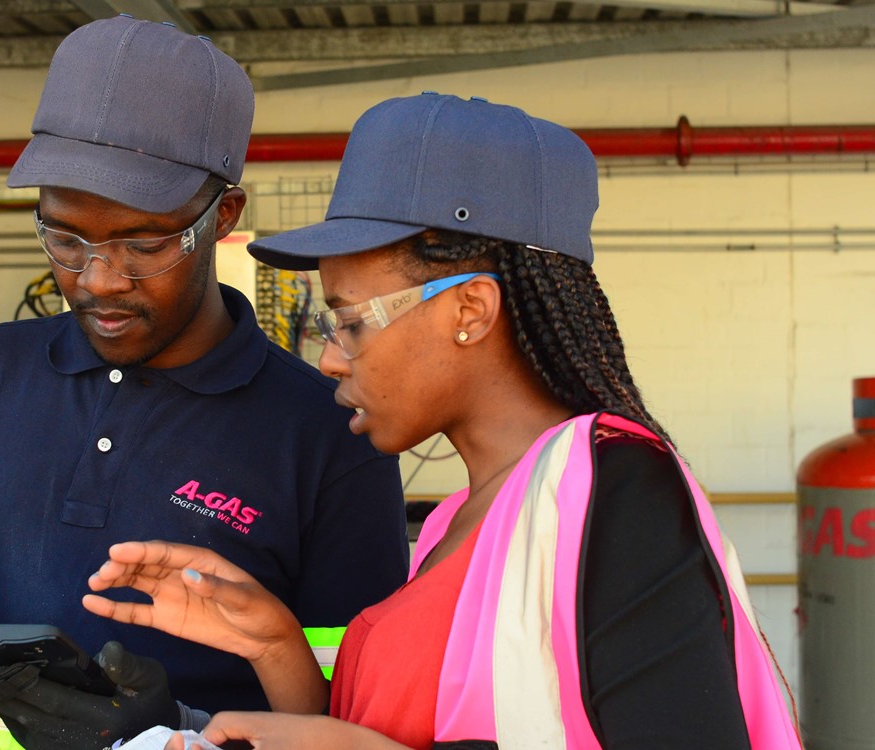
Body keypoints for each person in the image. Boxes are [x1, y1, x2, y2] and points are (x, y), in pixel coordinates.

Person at [82, 93, 804, 749]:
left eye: (350, 322)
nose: (331, 360)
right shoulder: (453, 521)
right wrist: (275, 646)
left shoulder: (615, 488)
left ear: (470, 312)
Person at [0, 16, 409, 750]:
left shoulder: (329, 431)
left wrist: (174, 735)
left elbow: (348, 722)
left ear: (224, 217)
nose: (98, 280)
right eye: (64, 237)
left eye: (143, 243)